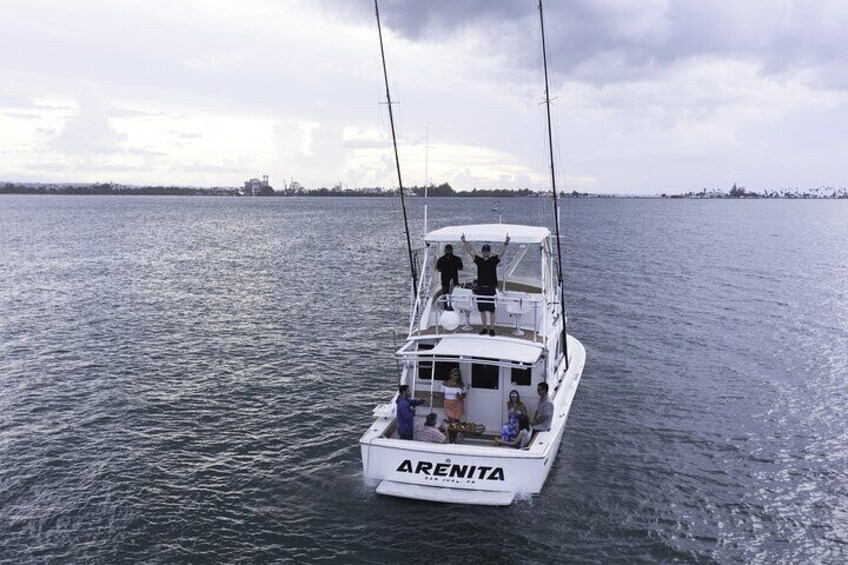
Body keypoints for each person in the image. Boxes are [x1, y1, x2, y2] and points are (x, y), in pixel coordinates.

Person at [460, 232, 509, 336]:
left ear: (490, 252)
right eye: (484, 251)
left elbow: (501, 252)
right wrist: (464, 241)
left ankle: (491, 328)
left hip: (491, 288)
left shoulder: (493, 260)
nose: (485, 252)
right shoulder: (479, 261)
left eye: (487, 251)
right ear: (482, 252)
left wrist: (506, 243)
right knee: (482, 310)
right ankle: (484, 328)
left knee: (491, 310)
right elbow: (470, 252)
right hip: (481, 288)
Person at [436, 244, 463, 310]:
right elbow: (460, 268)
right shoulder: (457, 259)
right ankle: (454, 307)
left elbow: (438, 269)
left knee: (445, 293)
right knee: (453, 294)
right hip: (454, 279)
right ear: (452, 250)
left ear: (445, 250)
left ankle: (446, 307)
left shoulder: (440, 259)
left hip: (445, 279)